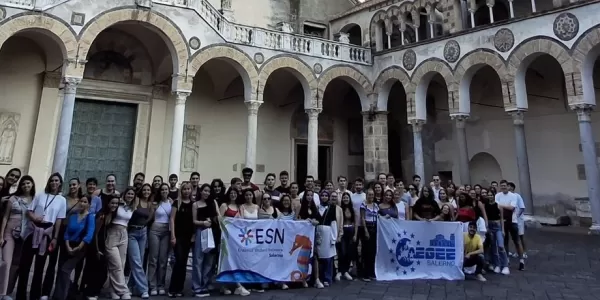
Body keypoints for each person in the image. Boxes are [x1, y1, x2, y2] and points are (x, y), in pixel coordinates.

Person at [16, 173, 67, 300]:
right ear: (49, 182)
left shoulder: (62, 200)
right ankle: (20, 295)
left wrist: (55, 238)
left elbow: (59, 220)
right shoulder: (40, 195)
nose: (54, 183)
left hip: (47, 232)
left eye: (56, 181)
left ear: (60, 183)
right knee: (25, 264)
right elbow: (29, 211)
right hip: (34, 229)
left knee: (39, 266)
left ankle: (34, 295)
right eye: (52, 180)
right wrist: (35, 218)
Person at [54, 196, 96, 300]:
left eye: (85, 202)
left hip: (80, 247)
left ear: (88, 204)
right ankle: (60, 295)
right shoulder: (73, 216)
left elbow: (89, 234)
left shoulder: (90, 216)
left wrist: (78, 247)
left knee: (65, 270)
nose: (82, 203)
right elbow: (67, 232)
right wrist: (68, 246)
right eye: (81, 201)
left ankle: (65, 295)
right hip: (68, 245)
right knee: (61, 271)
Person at [495, 180, 525, 271]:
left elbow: (511, 207)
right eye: (502, 186)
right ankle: (506, 259)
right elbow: (497, 207)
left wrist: (502, 206)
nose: (503, 187)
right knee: (505, 241)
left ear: (508, 186)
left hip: (513, 221)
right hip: (502, 221)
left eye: (505, 186)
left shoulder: (513, 196)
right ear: (500, 187)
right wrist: (505, 206)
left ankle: (521, 260)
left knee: (517, 241)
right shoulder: (497, 195)